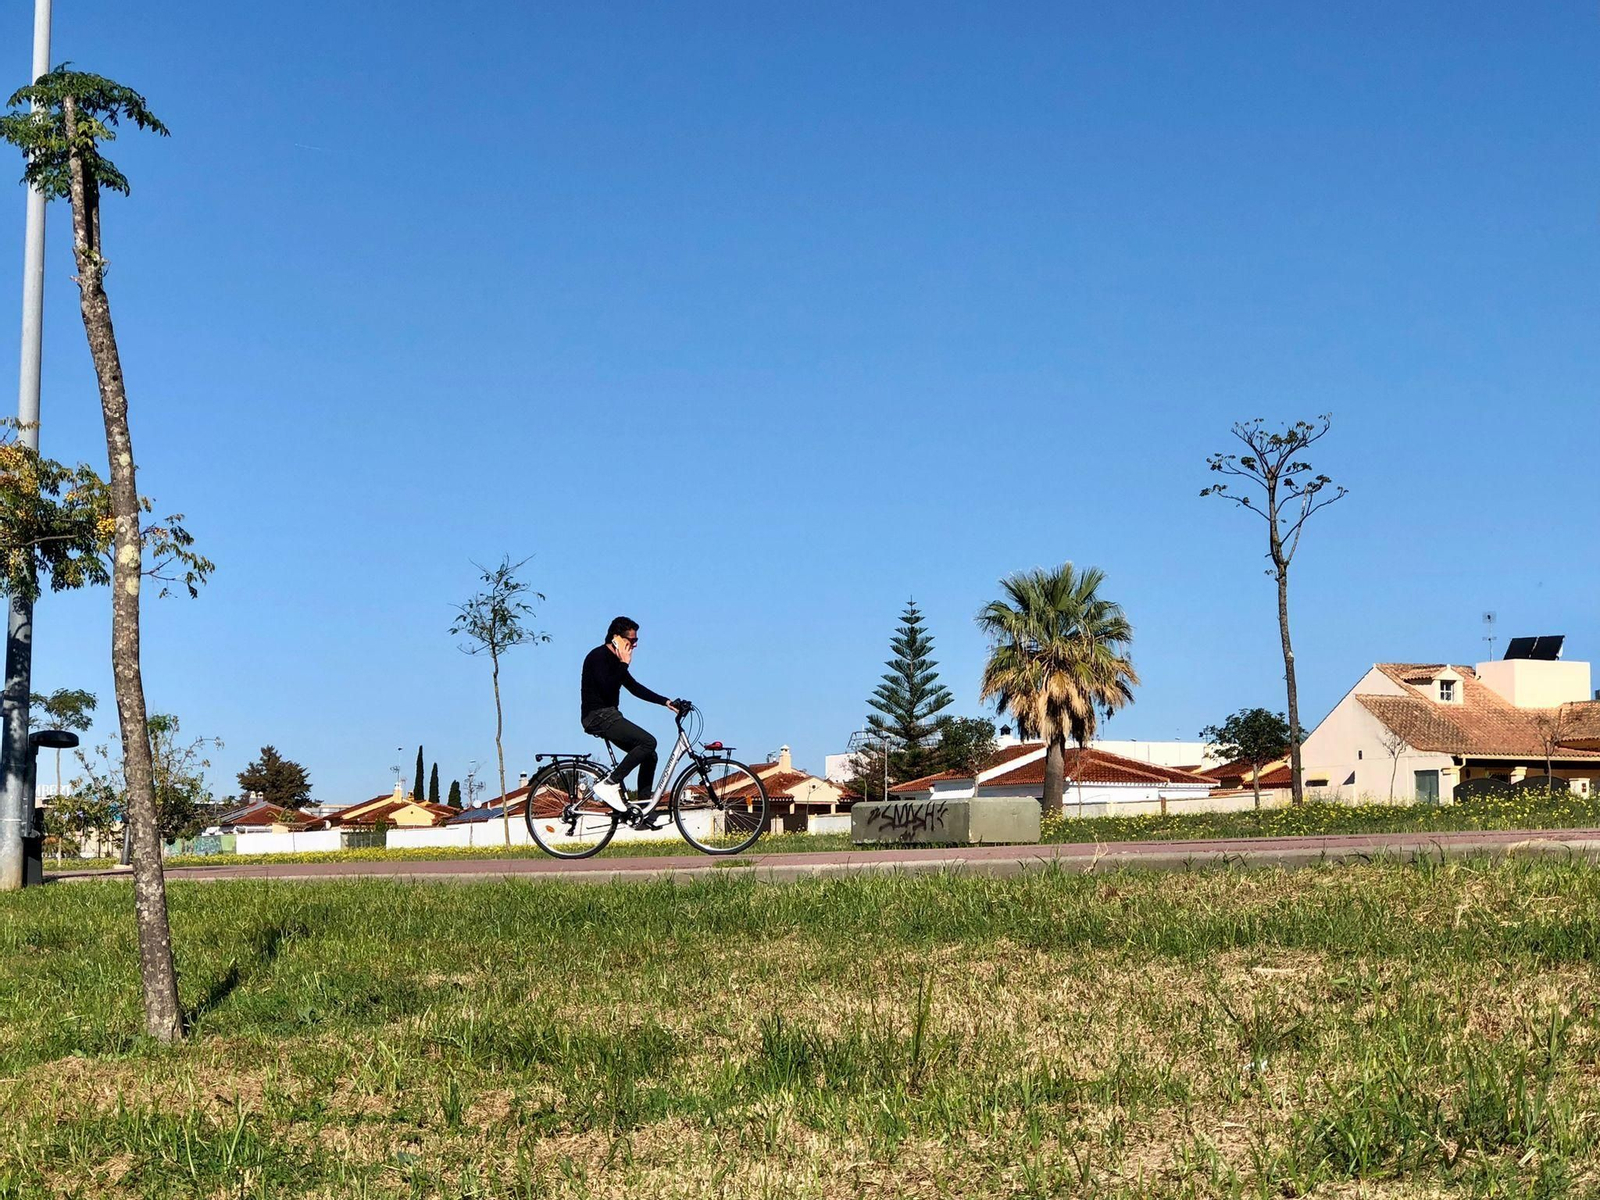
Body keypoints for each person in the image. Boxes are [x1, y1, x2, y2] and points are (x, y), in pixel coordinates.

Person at [580, 617, 685, 812]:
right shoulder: (598, 656)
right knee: (648, 742)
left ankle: (643, 810)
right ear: (616, 638)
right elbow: (607, 687)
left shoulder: (615, 661)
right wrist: (624, 664)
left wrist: (666, 702)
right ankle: (610, 783)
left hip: (609, 715)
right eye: (631, 640)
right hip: (597, 716)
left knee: (649, 755)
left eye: (636, 640)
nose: (634, 645)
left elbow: (634, 687)